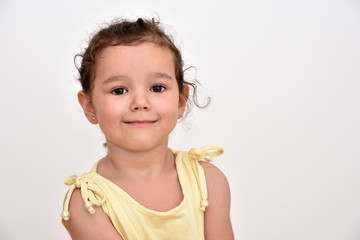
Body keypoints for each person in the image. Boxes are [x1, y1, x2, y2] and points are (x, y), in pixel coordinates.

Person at [61, 17, 234, 240]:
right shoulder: (88, 203)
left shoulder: (208, 181)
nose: (140, 102)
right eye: (119, 90)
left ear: (181, 101)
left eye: (157, 87)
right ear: (90, 106)